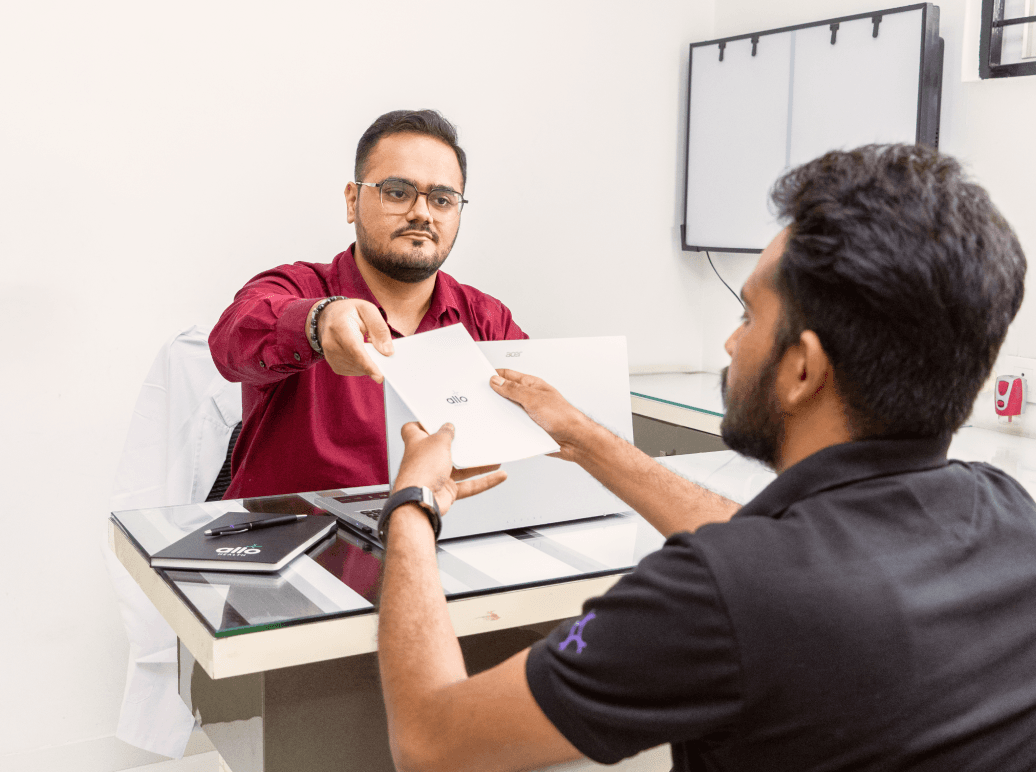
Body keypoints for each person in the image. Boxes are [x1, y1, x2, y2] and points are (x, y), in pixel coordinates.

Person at [374, 144, 1036, 771]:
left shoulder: (717, 597)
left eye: (748, 316)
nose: (730, 343)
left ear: (803, 369)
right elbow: (780, 558)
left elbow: (432, 742)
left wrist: (413, 504)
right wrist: (583, 437)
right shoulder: (1010, 515)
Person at [209, 109, 525, 499]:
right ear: (352, 200)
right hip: (300, 530)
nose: (421, 213)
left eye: (442, 199)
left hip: (443, 527)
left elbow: (539, 426)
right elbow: (229, 343)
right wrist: (319, 322)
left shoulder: (488, 318)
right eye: (398, 192)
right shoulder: (294, 287)